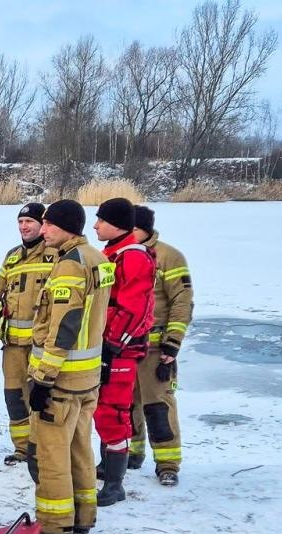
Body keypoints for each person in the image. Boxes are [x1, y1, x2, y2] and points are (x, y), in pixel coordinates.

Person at [26, 200, 109, 534]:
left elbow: (65, 326)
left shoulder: (70, 266)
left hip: (62, 378)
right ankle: (83, 515)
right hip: (87, 377)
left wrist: (44, 377)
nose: (42, 230)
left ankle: (54, 523)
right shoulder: (98, 260)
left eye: (48, 225)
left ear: (66, 227)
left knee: (52, 452)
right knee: (79, 446)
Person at [0, 202, 57, 466]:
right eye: (20, 222)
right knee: (14, 398)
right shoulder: (12, 257)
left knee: (41, 400)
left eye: (29, 222)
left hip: (41, 346)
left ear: (42, 225)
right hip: (12, 346)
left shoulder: (55, 255)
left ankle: (41, 451)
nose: (24, 227)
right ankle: (22, 449)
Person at [91, 198, 156, 507]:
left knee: (112, 411)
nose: (95, 226)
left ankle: (115, 484)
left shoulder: (133, 258)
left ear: (116, 224)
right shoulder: (113, 254)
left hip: (120, 349)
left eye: (100, 221)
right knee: (102, 409)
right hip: (108, 345)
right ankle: (107, 467)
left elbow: (132, 308)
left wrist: (112, 345)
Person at [128, 205, 192, 487]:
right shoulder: (123, 255)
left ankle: (167, 464)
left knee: (158, 408)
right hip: (126, 348)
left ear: (142, 228)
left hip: (156, 350)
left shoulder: (168, 256)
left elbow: (182, 302)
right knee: (127, 406)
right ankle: (132, 453)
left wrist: (172, 343)